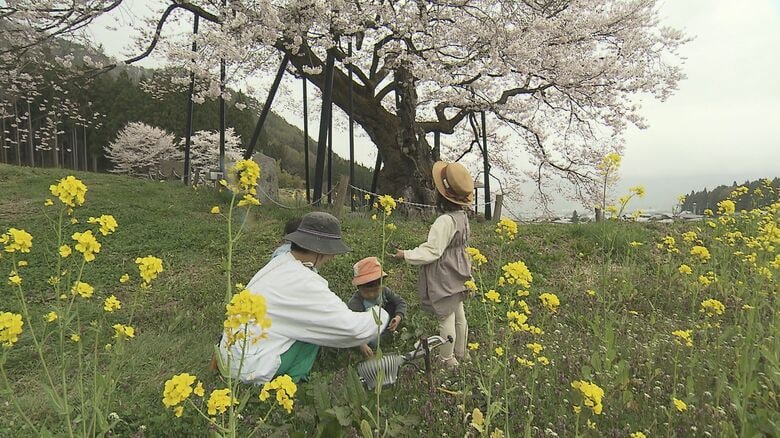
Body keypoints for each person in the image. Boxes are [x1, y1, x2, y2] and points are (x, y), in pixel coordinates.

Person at [218, 212, 390, 384]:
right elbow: (353, 330)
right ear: (320, 250)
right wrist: (380, 313)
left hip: (230, 355)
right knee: (315, 329)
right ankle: (291, 383)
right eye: (331, 251)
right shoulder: (304, 281)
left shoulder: (279, 263)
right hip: (248, 368)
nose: (332, 257)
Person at [391, 161, 474, 368]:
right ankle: (462, 353)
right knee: (459, 315)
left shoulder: (444, 221)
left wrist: (406, 254)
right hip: (460, 268)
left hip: (444, 272)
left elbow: (433, 251)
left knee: (446, 316)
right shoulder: (462, 216)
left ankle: (447, 359)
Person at [346, 257, 408, 357]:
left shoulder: (384, 291)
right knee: (373, 342)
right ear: (359, 288)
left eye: (375, 291)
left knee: (393, 306)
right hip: (366, 332)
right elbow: (352, 327)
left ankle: (389, 333)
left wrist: (397, 317)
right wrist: (362, 344)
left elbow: (401, 302)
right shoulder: (356, 302)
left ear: (381, 285)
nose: (371, 295)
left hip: (385, 324)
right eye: (366, 292)